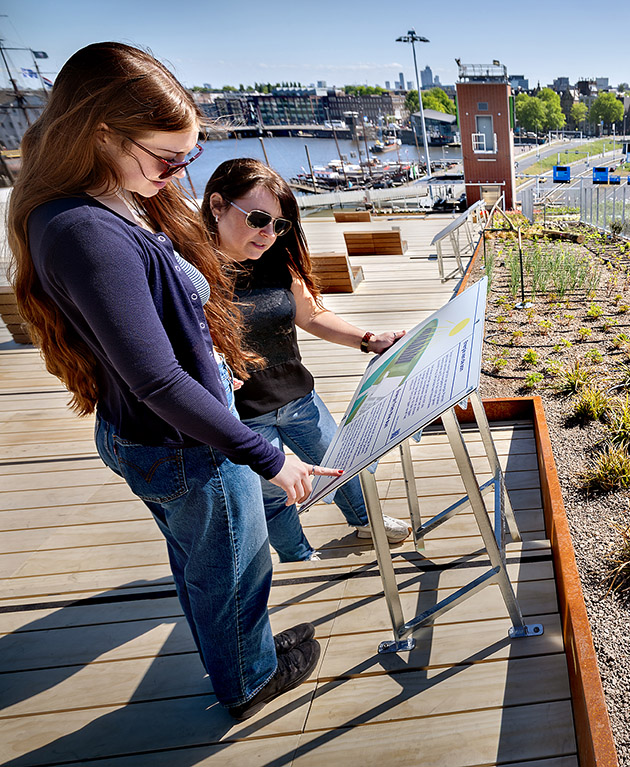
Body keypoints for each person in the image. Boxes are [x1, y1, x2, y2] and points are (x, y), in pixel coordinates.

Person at [6, 42, 328, 720]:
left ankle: (243, 657)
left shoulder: (104, 197)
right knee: (236, 570)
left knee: (202, 563)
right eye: (167, 158)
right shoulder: (84, 230)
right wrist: (266, 454)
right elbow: (155, 377)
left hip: (157, 436)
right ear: (100, 132)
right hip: (186, 444)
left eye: (188, 157)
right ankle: (249, 680)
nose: (180, 174)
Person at [201, 158, 411, 562]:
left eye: (280, 225)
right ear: (217, 205)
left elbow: (312, 315)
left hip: (299, 399)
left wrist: (369, 339)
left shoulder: (275, 261)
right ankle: (298, 556)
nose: (269, 234)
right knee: (277, 495)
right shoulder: (187, 273)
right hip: (243, 416)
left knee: (345, 465)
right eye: (259, 218)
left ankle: (365, 521)